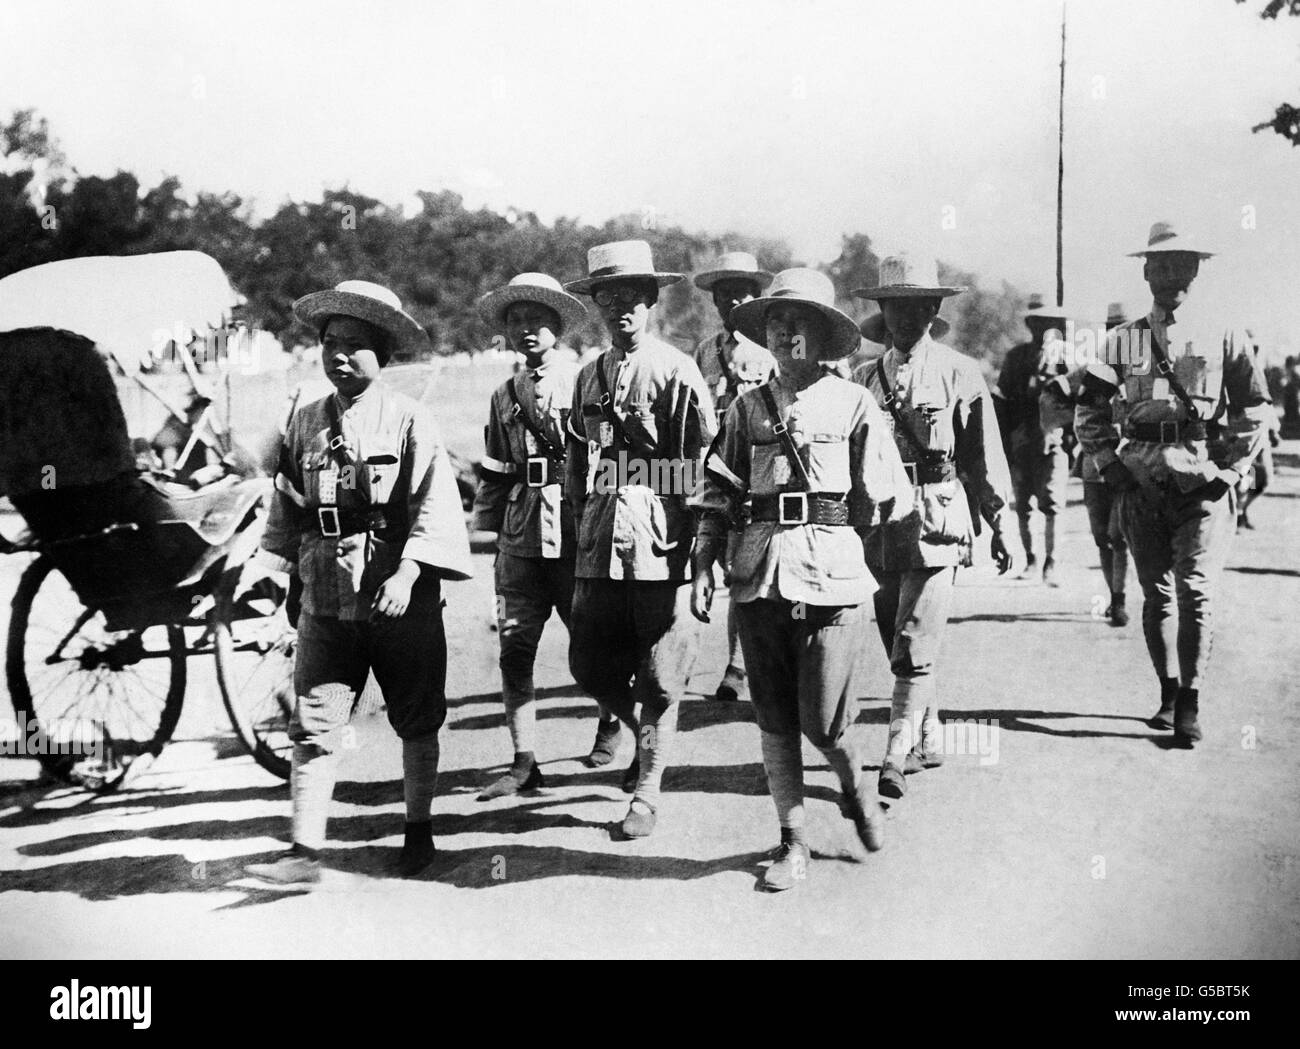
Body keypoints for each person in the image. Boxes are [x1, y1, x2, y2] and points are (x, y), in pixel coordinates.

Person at [690, 268, 912, 891]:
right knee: (774, 719)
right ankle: (792, 841)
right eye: (777, 324)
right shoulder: (746, 406)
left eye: (800, 325)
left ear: (821, 336)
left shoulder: (853, 402)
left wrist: (842, 537)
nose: (788, 335)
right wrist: (706, 556)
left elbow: (884, 498)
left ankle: (854, 783)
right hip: (759, 576)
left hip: (832, 579)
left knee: (824, 722)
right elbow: (719, 492)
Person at [246, 280, 472, 885]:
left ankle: (419, 831)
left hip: (400, 597)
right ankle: (303, 854)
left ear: (383, 354)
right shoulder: (305, 421)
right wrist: (282, 578)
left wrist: (408, 571)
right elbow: (287, 507)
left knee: (416, 717)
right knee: (315, 724)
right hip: (325, 596)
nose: (339, 356)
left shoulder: (410, 419)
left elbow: (433, 507)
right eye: (329, 343)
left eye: (354, 345)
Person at [1075, 222, 1272, 746]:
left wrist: (1230, 470)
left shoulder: (1223, 332)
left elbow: (1256, 405)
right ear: (1146, 271)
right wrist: (1109, 464)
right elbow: (1089, 406)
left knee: (1197, 592)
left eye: (1182, 264)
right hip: (1140, 478)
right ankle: (1166, 691)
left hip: (1201, 479)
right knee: (1156, 594)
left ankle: (1192, 700)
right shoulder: (1122, 339)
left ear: (1197, 270)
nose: (1171, 275)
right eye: (1160, 265)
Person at [563, 240, 715, 838]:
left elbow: (697, 466)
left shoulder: (676, 371)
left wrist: (697, 547)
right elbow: (579, 464)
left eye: (632, 299)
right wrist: (581, 520)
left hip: (659, 539)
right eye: (609, 300)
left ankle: (646, 793)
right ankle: (639, 735)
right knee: (588, 666)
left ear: (650, 303)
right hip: (600, 539)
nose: (621, 310)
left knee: (659, 675)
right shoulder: (588, 377)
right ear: (598, 307)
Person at [851, 254, 1014, 799]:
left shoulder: (959, 371)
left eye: (916, 305)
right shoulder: (861, 377)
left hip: (937, 516)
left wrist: (1000, 521)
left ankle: (893, 758)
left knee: (913, 642)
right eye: (893, 306)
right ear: (882, 311)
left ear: (933, 308)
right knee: (895, 638)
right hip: (879, 524)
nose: (904, 316)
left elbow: (982, 453)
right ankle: (926, 735)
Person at [471, 274, 624, 799]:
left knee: (592, 645)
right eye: (515, 321)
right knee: (515, 650)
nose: (526, 330)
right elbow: (494, 471)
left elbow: (608, 457)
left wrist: (602, 527)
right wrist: (488, 539)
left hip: (575, 529)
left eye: (537, 320)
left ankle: (612, 719)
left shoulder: (587, 382)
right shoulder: (503, 395)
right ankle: (524, 760)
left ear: (557, 326)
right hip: (520, 536)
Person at [691, 251, 777, 703]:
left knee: (752, 566)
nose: (733, 303)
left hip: (759, 466)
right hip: (717, 468)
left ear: (756, 298)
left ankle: (739, 669)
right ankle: (735, 665)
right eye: (724, 296)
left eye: (742, 295)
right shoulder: (705, 352)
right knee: (722, 562)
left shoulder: (775, 348)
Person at [1043, 301, 1132, 625]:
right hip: (1096, 460)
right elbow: (1055, 390)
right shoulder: (1093, 367)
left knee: (1119, 534)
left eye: (1122, 327)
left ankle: (1120, 600)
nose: (1117, 333)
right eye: (1111, 328)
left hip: (1132, 460)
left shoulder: (1144, 366)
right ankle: (1113, 595)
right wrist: (1068, 423)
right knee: (1101, 535)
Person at [998, 294, 1071, 583]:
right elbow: (1002, 399)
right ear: (1031, 324)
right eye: (1039, 321)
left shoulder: (1066, 358)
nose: (1044, 327)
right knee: (1024, 506)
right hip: (1021, 440)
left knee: (1053, 503)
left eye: (1050, 322)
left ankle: (1050, 563)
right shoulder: (1016, 357)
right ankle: (1030, 560)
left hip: (1053, 440)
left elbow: (1080, 401)